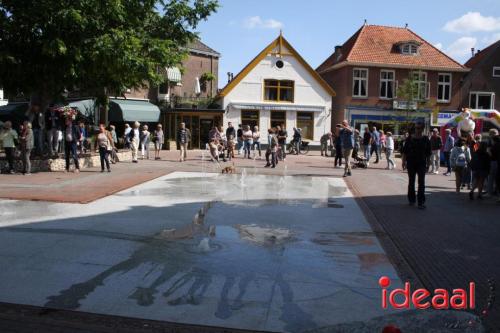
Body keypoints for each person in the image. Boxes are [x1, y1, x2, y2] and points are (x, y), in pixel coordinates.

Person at [401, 123, 431, 209]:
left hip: (421, 163)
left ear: (422, 129)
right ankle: (411, 200)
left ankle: (421, 202)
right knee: (411, 181)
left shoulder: (425, 139)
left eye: (419, 128)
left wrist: (428, 164)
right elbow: (404, 152)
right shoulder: (409, 139)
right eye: (416, 128)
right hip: (411, 162)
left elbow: (428, 153)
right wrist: (403, 162)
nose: (418, 130)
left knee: (421, 182)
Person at [486, 129, 499, 196]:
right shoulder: (493, 141)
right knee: (495, 177)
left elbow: (490, 153)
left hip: (493, 161)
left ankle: (490, 192)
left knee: (491, 177)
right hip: (495, 161)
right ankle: (495, 191)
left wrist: (489, 151)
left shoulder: (493, 142)